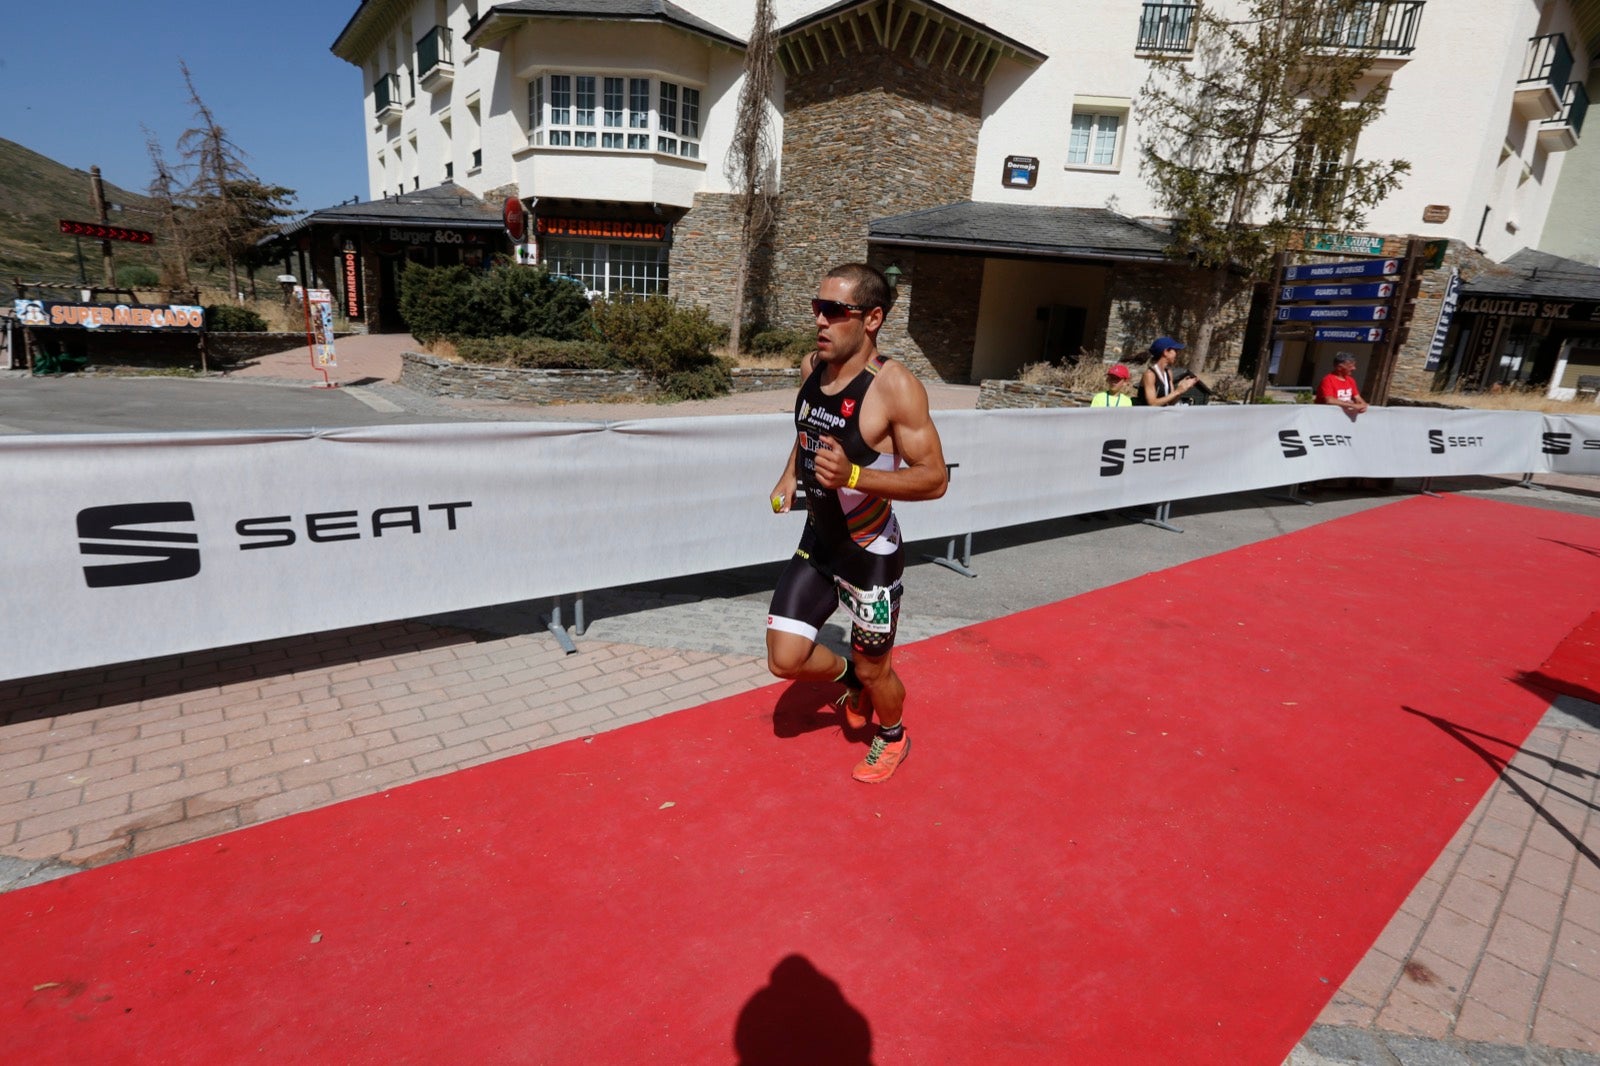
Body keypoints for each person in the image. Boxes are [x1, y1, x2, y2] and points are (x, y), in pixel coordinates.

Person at [767, 263, 949, 784]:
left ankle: (893, 736)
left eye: (833, 311)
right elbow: (806, 432)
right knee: (785, 659)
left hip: (870, 555)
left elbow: (934, 479)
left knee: (879, 668)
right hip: (820, 543)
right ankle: (850, 679)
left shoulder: (896, 388)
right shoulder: (811, 368)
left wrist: (853, 474)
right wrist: (788, 477)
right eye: (815, 308)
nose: (819, 322)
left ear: (871, 318)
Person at [1135, 336, 1202, 407]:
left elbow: (1171, 402)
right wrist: (1177, 391)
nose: (1177, 354)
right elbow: (1152, 403)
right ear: (1165, 352)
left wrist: (1182, 389)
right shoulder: (1149, 374)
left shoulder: (1168, 373)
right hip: (1147, 416)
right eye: (1175, 351)